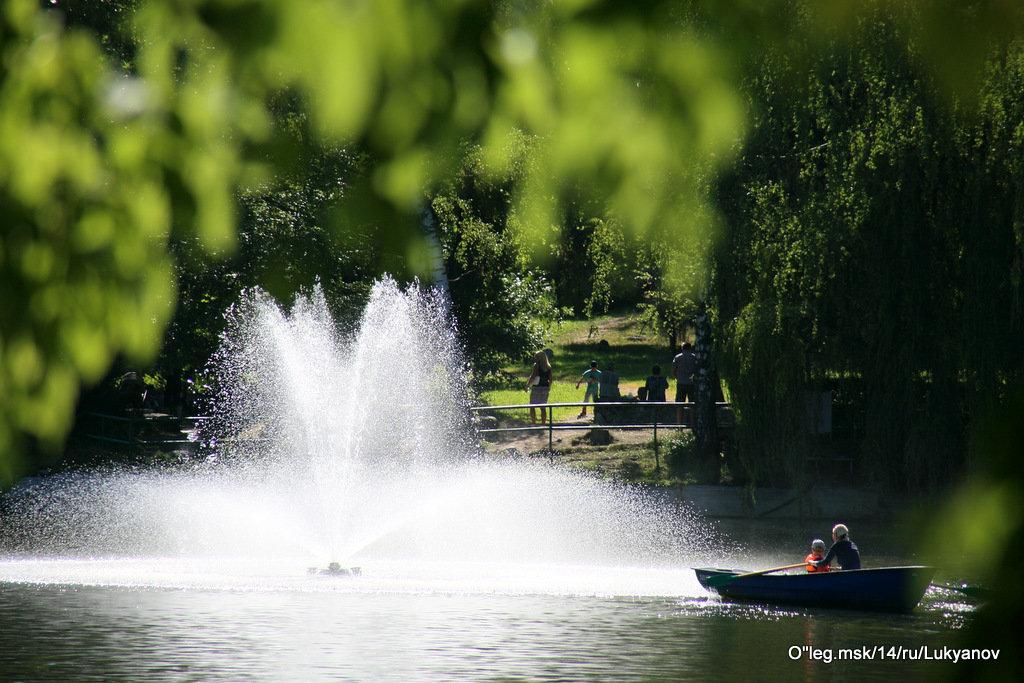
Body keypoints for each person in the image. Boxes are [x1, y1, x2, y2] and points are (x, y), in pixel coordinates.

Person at [671, 342, 697, 425]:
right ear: (690, 348)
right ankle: (693, 423)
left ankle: (679, 424)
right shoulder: (694, 357)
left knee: (680, 404)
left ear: (682, 348)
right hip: (691, 383)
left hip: (681, 382)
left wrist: (678, 378)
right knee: (692, 404)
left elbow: (673, 371)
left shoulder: (677, 357)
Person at [526, 350, 553, 425]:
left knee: (532, 406)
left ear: (539, 358)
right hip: (545, 388)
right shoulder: (548, 367)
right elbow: (550, 379)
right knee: (543, 407)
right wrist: (549, 387)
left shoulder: (536, 365)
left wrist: (527, 385)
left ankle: (534, 423)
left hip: (536, 388)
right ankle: (543, 424)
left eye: (536, 357)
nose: (536, 359)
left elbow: (532, 376)